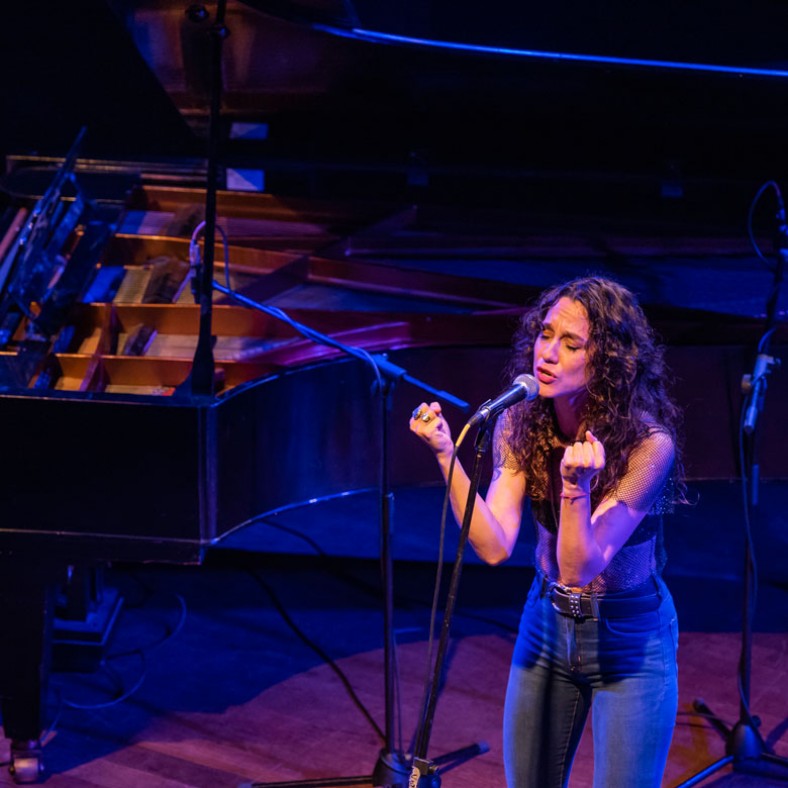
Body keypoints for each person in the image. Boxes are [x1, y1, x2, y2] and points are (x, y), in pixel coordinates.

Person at [409, 276, 684, 788]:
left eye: (570, 343)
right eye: (544, 334)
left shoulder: (649, 445)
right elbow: (493, 545)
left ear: (607, 362)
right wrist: (447, 455)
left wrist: (575, 488)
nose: (547, 353)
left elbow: (581, 566)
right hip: (546, 625)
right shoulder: (520, 418)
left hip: (629, 636)